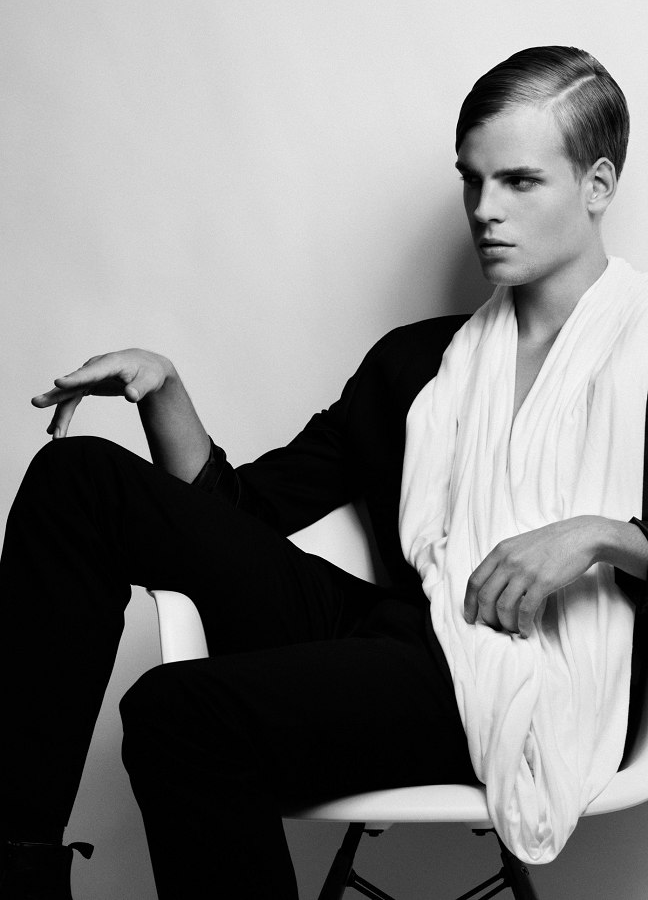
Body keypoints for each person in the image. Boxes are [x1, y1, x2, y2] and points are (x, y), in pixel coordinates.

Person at [2, 45, 648, 898]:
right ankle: (17, 868)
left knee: (175, 713)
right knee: (78, 477)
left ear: (598, 185)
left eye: (520, 182)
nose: (484, 210)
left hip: (521, 683)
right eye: (472, 181)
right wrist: (166, 390)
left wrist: (599, 536)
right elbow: (243, 514)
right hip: (392, 632)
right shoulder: (419, 363)